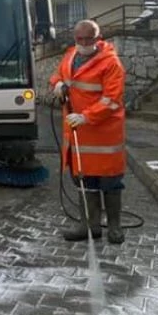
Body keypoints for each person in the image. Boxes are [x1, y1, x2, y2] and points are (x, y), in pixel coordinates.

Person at [49, 20, 126, 244]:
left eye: (88, 39)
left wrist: (86, 116)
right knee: (85, 181)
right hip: (78, 136)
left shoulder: (111, 63)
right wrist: (57, 84)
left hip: (104, 135)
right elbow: (59, 75)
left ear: (98, 38)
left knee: (111, 182)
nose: (83, 43)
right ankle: (89, 226)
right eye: (79, 39)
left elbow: (111, 100)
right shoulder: (71, 55)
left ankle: (114, 227)